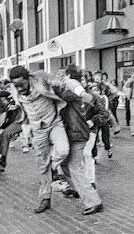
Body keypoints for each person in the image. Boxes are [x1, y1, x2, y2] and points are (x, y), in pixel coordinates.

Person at [9, 66, 92, 213]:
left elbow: (65, 81)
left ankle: (53, 167)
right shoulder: (14, 89)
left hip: (54, 122)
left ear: (28, 78)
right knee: (42, 165)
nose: (19, 88)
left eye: (22, 84)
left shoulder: (40, 77)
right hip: (37, 129)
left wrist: (82, 92)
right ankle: (44, 199)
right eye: (16, 85)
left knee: (63, 150)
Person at [56, 64, 107, 215]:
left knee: (75, 166)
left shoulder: (74, 94)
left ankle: (93, 201)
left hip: (78, 134)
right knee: (65, 164)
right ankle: (77, 188)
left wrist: (92, 121)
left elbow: (104, 114)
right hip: (73, 134)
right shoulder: (79, 93)